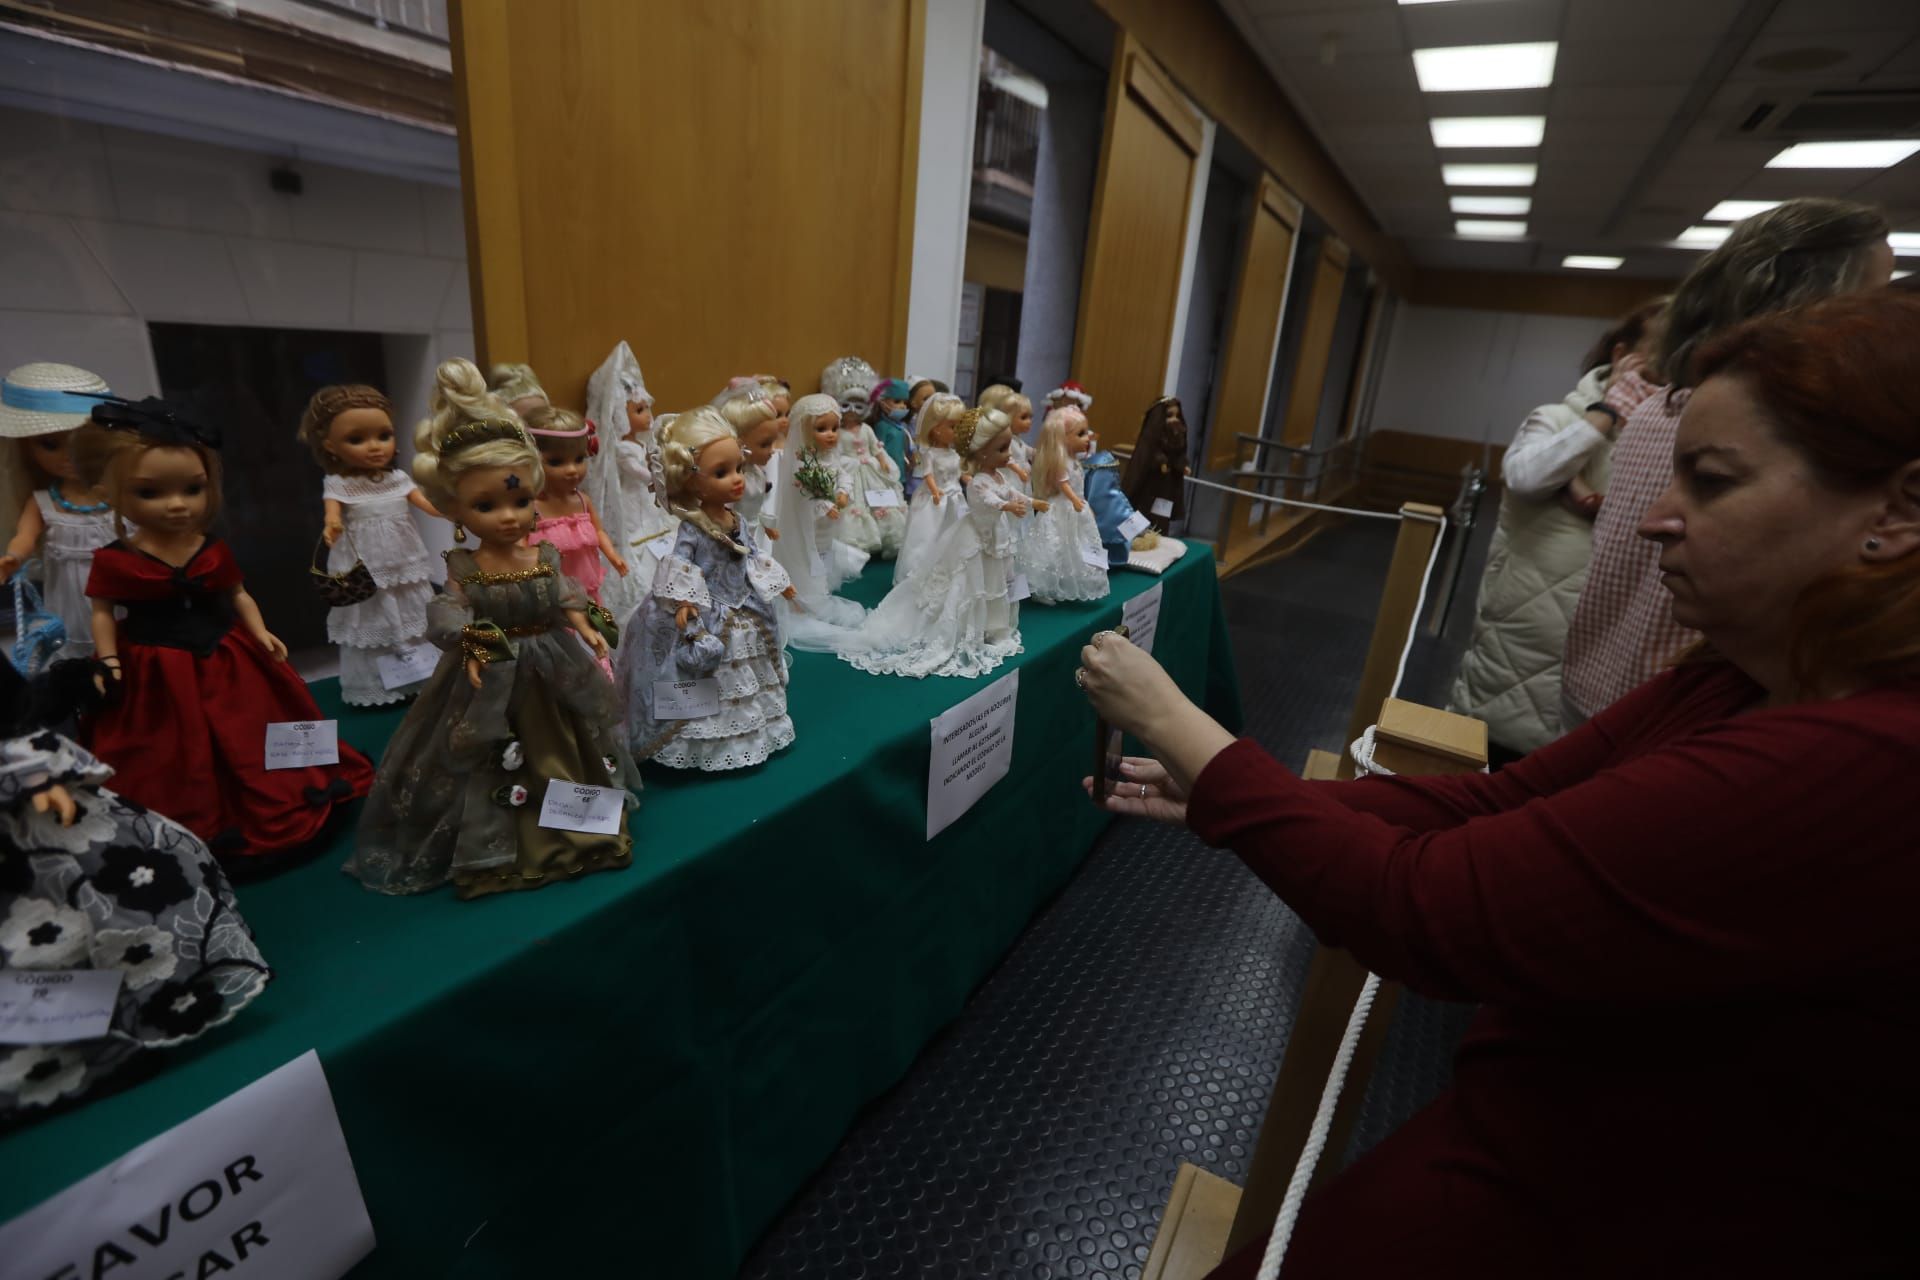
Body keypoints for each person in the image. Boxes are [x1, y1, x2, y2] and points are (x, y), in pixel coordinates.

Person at [1075, 289, 1920, 1277]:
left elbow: (1427, 909)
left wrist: (1182, 727)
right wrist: (1252, 797)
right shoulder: (1745, 672)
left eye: (1715, 480)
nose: (1654, 517)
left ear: (1898, 510)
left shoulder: (1865, 762)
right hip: (1552, 1136)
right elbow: (1492, 802)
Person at [1560, 197, 1892, 725]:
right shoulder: (1768, 430)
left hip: (1598, 684)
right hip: (1680, 709)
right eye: (1873, 299)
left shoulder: (1653, 407)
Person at [1447, 300, 1664, 762]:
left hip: (1609, 641)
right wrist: (1605, 412)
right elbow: (1527, 475)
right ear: (1624, 354)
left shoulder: (1671, 439)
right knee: (1481, 769)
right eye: (1661, 352)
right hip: (1523, 635)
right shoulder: (1559, 418)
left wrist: (1590, 496)